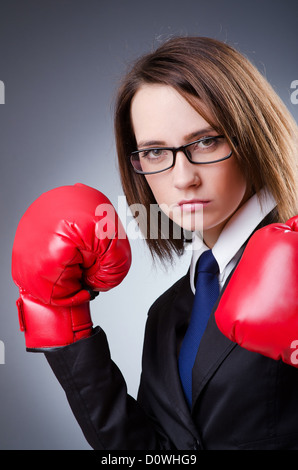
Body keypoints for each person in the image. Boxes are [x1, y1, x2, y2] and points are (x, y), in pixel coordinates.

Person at [12, 36, 298, 450]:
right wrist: (63, 322)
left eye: (206, 141)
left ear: (251, 136)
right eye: (155, 152)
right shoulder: (167, 313)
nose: (183, 178)